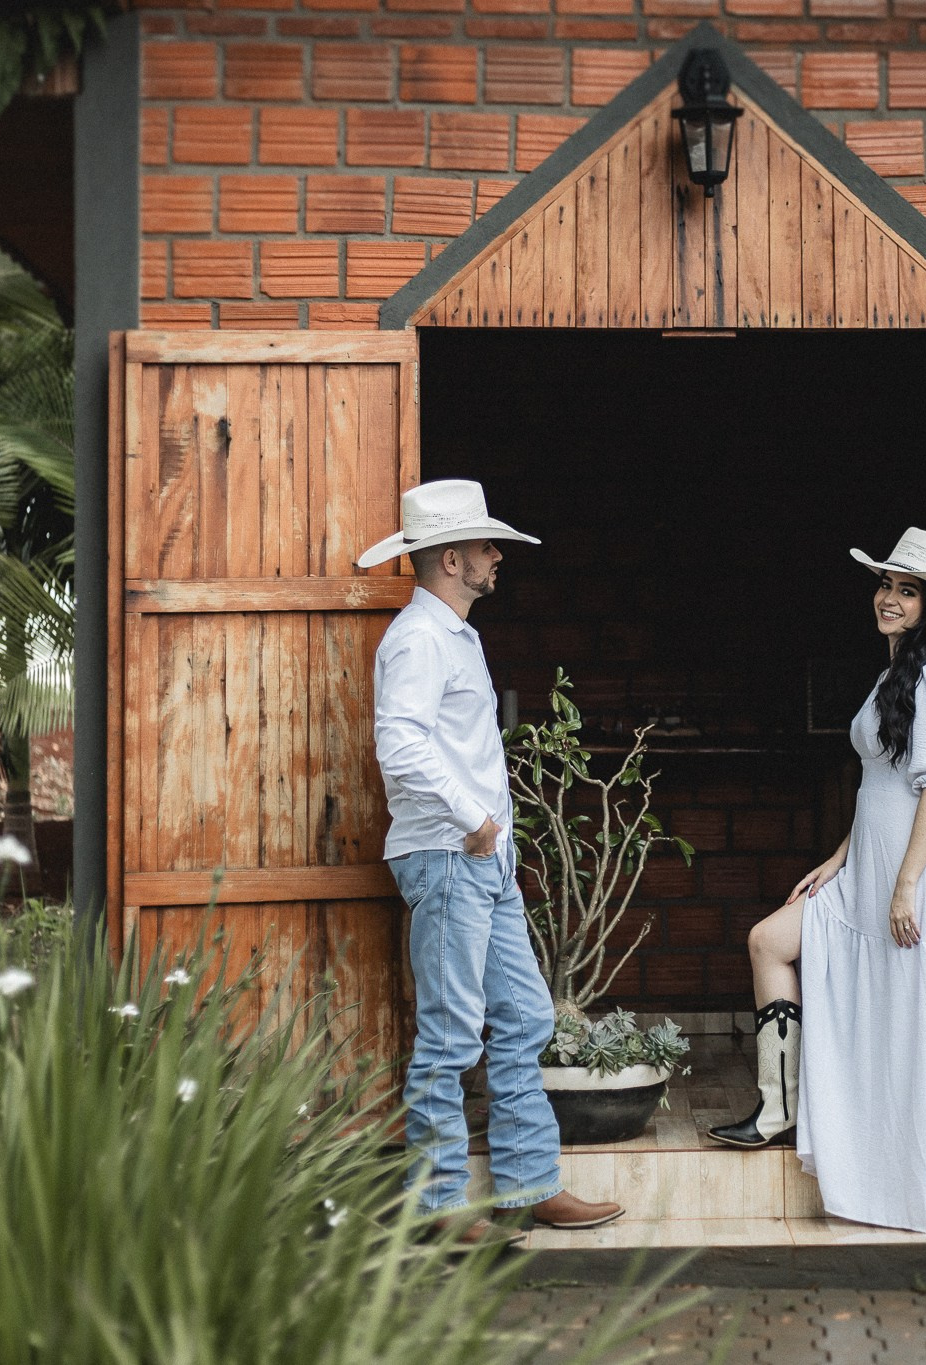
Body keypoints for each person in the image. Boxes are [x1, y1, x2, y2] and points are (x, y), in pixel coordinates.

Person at [706, 527, 926, 1235]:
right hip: (868, 862)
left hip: (917, 868)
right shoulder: (892, 676)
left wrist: (904, 885)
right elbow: (883, 784)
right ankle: (779, 1107)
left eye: (907, 590)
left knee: (911, 1014)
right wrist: (840, 857)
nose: (889, 598)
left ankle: (914, 1183)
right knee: (770, 939)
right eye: (887, 585)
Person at [359, 479, 624, 1247]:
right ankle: (436, 1208)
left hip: (483, 860)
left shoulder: (456, 635)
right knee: (449, 1035)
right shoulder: (416, 639)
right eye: (484, 546)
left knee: (526, 1016)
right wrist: (474, 817)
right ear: (451, 558)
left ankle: (529, 1185)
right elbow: (400, 744)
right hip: (448, 854)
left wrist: (495, 834)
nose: (496, 556)